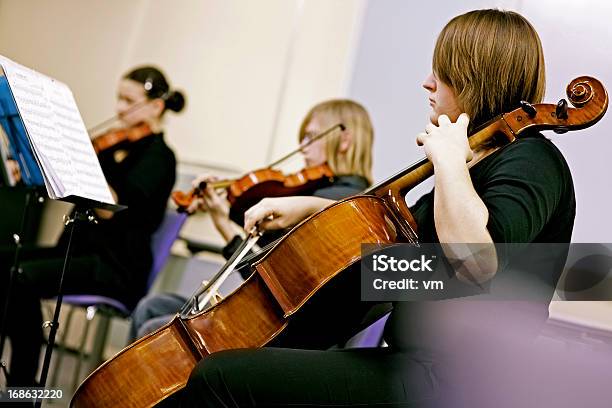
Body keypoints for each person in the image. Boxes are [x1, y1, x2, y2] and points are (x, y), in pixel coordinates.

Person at [173, 9, 576, 407]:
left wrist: (450, 163)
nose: (427, 83)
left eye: (443, 72)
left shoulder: (533, 160)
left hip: (458, 381)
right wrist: (310, 210)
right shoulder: (476, 163)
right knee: (240, 367)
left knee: (219, 377)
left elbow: (475, 264)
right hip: (412, 365)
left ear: (477, 80)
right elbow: (391, 233)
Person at [129, 98, 375, 340]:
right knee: (153, 307)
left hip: (277, 332)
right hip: (262, 318)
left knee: (155, 329)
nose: (302, 147)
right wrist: (224, 206)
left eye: (311, 137)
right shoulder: (317, 192)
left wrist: (223, 222)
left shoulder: (340, 205)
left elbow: (268, 283)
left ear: (344, 141)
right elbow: (262, 244)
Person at [0, 66, 184, 386]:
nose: (120, 108)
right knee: (5, 259)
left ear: (156, 106)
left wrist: (77, 159)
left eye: (130, 100)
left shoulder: (159, 157)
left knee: (20, 278)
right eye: (119, 98)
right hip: (76, 252)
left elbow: (110, 208)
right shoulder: (111, 146)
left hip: (114, 266)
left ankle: (22, 388)